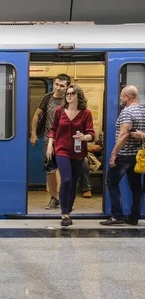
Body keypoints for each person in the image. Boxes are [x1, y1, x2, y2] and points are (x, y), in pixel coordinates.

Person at [47, 84, 95, 226]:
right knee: (66, 180)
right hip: (61, 150)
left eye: (72, 93)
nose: (69, 95)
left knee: (73, 183)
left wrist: (84, 137)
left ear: (78, 96)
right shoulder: (60, 111)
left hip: (79, 152)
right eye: (67, 93)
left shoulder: (86, 113)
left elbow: (91, 134)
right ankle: (64, 213)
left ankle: (68, 211)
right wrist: (50, 145)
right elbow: (53, 129)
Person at [100, 86, 145, 226]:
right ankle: (134, 217)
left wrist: (114, 154)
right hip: (137, 157)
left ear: (128, 97)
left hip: (124, 155)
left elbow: (124, 134)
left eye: (121, 95)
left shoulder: (127, 112)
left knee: (111, 182)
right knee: (136, 187)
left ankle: (116, 215)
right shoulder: (143, 111)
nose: (120, 98)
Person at [30, 74, 72, 210]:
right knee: (50, 170)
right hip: (49, 140)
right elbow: (37, 115)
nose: (58, 88)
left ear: (67, 88)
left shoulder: (70, 99)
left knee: (68, 171)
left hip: (66, 141)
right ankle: (55, 198)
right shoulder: (48, 98)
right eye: (56, 84)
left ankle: (67, 199)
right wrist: (34, 134)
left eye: (61, 86)